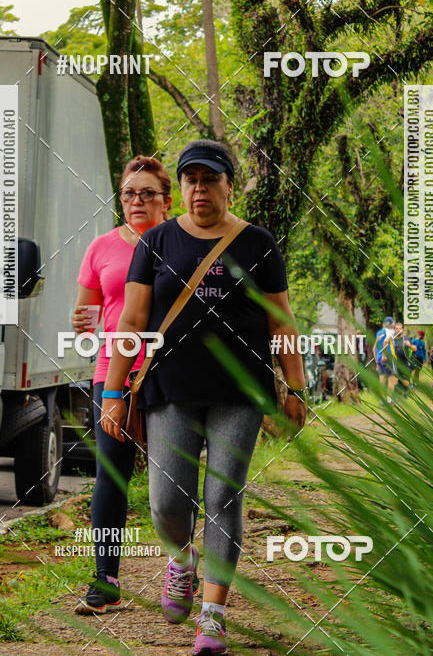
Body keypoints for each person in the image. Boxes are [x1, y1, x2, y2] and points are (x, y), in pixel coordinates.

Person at [100, 140, 306, 656]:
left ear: (228, 185)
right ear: (182, 187)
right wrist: (113, 392)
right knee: (168, 502)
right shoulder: (157, 243)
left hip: (240, 391)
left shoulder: (256, 242)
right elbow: (131, 320)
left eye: (209, 179)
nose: (198, 188)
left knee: (222, 497)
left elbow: (281, 320)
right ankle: (181, 558)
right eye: (190, 179)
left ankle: (212, 618)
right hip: (170, 390)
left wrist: (296, 387)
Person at [72, 155, 177, 615]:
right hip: (111, 375)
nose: (137, 201)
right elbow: (88, 315)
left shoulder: (183, 243)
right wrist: (82, 321)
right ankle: (106, 579)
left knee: (173, 480)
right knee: (110, 477)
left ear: (166, 201)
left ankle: (181, 566)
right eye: (129, 193)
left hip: (170, 375)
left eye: (147, 193)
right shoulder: (100, 248)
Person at [373, 316, 397, 404]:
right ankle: (390, 400)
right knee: (392, 379)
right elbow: (386, 341)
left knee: (382, 379)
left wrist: (377, 361)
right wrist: (384, 354)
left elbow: (374, 348)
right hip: (387, 358)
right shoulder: (390, 331)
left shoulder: (379, 333)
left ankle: (382, 400)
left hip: (379, 360)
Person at [393, 321, 416, 391]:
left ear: (402, 330)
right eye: (396, 328)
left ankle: (406, 393)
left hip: (405, 363)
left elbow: (414, 348)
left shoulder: (406, 339)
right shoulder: (392, 339)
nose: (398, 330)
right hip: (395, 363)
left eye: (399, 329)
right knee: (396, 381)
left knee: (405, 381)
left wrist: (409, 345)